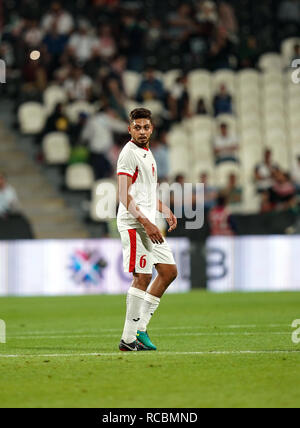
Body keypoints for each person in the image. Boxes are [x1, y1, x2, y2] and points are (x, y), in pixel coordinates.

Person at [117, 108, 178, 352]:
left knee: (168, 271)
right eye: (137, 127)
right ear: (129, 129)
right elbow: (123, 194)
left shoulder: (147, 153)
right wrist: (147, 222)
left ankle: (140, 328)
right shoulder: (128, 154)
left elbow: (145, 192)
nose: (142, 131)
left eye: (146, 127)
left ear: (151, 129)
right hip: (135, 223)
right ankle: (128, 339)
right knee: (141, 277)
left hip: (149, 220)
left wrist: (163, 209)